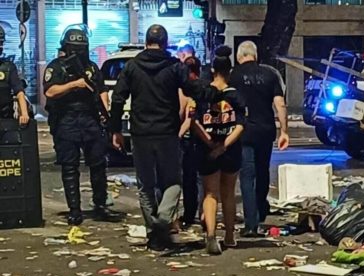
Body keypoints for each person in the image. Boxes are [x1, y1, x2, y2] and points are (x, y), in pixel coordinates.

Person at [110, 24, 218, 251]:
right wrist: (215, 92)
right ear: (166, 43)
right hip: (167, 132)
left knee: (145, 185)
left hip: (140, 133)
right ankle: (163, 219)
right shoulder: (174, 67)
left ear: (146, 41)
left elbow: (118, 98)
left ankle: (154, 234)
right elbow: (193, 89)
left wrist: (116, 130)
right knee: (172, 182)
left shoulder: (132, 67)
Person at [43, 26, 121, 225]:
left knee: (98, 164)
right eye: (74, 48)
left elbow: (101, 89)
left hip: (90, 119)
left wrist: (105, 113)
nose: (78, 52)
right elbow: (50, 92)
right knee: (70, 167)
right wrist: (73, 85)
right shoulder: (57, 67)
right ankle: (75, 210)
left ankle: (100, 205)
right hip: (66, 120)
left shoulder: (92, 67)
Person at [230, 41, 289, 237]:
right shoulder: (270, 74)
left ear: (239, 57)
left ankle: (250, 224)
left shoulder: (234, 75)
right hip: (266, 130)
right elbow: (280, 104)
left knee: (247, 175)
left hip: (243, 130)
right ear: (255, 55)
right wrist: (284, 131)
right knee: (263, 170)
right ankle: (261, 209)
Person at [192, 45, 246, 255]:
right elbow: (241, 124)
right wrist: (224, 145)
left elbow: (194, 121)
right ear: (230, 71)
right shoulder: (236, 96)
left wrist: (209, 143)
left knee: (210, 193)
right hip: (231, 150)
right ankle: (230, 236)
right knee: (229, 193)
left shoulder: (203, 95)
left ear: (213, 70)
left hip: (207, 150)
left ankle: (211, 235)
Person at [178, 54, 203, 226]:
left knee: (187, 179)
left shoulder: (183, 89)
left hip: (188, 140)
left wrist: (177, 134)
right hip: (193, 139)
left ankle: (189, 215)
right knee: (192, 180)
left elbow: (188, 118)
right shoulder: (199, 87)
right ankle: (194, 213)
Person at [0, 25, 29, 124]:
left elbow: (19, 91)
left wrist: (24, 114)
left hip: (5, 118)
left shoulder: (8, 67)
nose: (0, 47)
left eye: (1, 43)